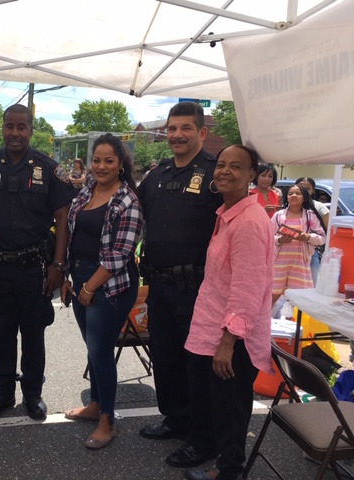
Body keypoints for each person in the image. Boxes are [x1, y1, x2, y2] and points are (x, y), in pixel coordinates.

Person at [0, 104, 75, 421]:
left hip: (35, 268)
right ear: (2, 128)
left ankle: (33, 394)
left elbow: (63, 219)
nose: (14, 133)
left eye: (21, 127)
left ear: (31, 130)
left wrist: (59, 267)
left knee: (33, 334)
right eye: (9, 126)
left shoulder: (50, 169)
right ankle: (2, 392)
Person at [179, 145, 275, 480]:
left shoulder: (249, 222)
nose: (224, 171)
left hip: (233, 338)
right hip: (212, 327)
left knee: (231, 410)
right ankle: (219, 461)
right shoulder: (228, 213)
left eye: (236, 166)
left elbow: (247, 290)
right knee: (216, 404)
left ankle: (229, 471)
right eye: (221, 165)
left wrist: (228, 342)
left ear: (252, 176)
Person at [136, 101, 223, 468]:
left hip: (199, 288)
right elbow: (134, 216)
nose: (177, 135)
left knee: (197, 365)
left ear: (201, 133)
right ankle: (175, 417)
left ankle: (203, 439)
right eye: (172, 129)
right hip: (159, 285)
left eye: (186, 128)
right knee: (166, 356)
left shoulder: (218, 174)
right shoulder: (156, 176)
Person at [60, 133, 142, 449]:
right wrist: (70, 278)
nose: (101, 166)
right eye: (97, 160)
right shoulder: (85, 193)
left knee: (100, 350)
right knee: (93, 346)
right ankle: (95, 404)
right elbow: (73, 237)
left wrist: (90, 287)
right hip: (81, 276)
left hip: (111, 284)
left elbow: (120, 255)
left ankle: (107, 420)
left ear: (121, 164)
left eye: (109, 160)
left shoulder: (127, 200)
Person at [271, 184, 326, 306]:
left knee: (299, 297)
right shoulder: (278, 216)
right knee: (272, 294)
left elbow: (322, 238)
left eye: (297, 193)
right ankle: (264, 320)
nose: (293, 196)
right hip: (279, 262)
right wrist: (280, 240)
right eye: (290, 194)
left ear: (305, 198)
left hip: (300, 263)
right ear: (287, 197)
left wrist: (308, 237)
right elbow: (268, 238)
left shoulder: (310, 216)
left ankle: (294, 322)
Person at [295, 176, 329, 285]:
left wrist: (309, 237)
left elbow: (325, 232)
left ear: (313, 190)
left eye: (308, 189)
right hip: (289, 251)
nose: (304, 191)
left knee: (313, 284)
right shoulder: (288, 207)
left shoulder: (319, 207)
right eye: (300, 188)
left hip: (311, 252)